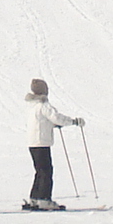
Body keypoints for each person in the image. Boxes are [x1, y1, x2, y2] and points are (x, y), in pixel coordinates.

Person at [23, 79, 82, 211]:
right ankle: (44, 200)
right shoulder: (43, 105)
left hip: (32, 142)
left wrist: (52, 125)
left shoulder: (31, 106)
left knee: (40, 170)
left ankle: (35, 198)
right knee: (46, 171)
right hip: (42, 142)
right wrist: (73, 121)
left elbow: (41, 122)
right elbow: (56, 117)